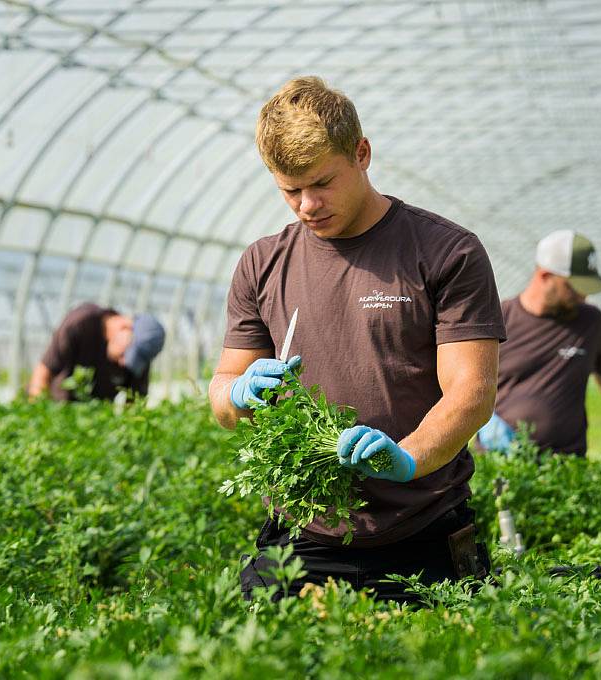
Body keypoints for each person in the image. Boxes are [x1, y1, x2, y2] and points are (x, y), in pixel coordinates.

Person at [209, 76, 506, 602]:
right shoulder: (262, 263)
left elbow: (471, 392)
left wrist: (408, 458)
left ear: (362, 153)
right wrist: (237, 394)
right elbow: (223, 394)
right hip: (301, 536)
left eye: (321, 183)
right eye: (289, 189)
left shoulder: (445, 252)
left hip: (422, 532)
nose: (306, 205)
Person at [477, 230, 601, 455]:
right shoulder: (498, 320)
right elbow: (459, 380)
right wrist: (484, 422)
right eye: (573, 288)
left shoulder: (591, 322)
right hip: (502, 461)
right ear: (544, 276)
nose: (583, 297)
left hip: (568, 465)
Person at [27, 303, 165, 402]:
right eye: (126, 354)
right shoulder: (81, 324)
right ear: (125, 327)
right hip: (58, 414)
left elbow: (134, 402)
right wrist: (40, 414)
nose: (124, 362)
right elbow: (42, 373)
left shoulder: (142, 351)